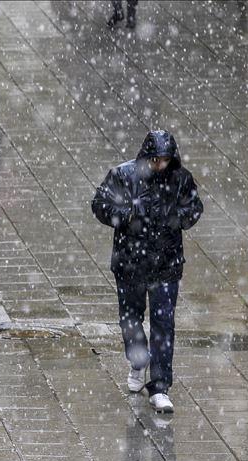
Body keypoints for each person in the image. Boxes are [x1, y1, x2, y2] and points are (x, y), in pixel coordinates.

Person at [91, 130, 203, 413]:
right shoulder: (123, 176)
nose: (159, 165)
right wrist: (126, 214)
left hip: (166, 265)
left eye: (164, 160)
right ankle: (138, 361)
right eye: (155, 160)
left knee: (164, 324)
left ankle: (160, 386)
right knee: (131, 318)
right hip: (130, 263)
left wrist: (178, 219)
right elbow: (100, 204)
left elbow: (194, 207)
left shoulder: (181, 180)